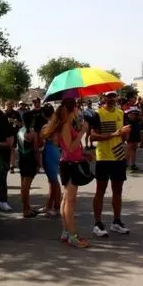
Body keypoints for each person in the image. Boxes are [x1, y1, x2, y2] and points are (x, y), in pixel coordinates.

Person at [44, 100, 95, 248]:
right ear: (72, 109)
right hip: (70, 165)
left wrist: (83, 154)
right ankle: (73, 235)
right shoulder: (66, 126)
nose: (79, 109)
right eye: (77, 106)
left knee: (66, 199)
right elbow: (70, 148)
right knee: (70, 201)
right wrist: (82, 132)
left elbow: (71, 148)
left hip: (70, 163)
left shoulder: (68, 124)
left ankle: (66, 231)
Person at [89, 90, 132, 237]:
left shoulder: (121, 113)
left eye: (114, 96)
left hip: (118, 156)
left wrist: (125, 134)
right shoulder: (98, 114)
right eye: (109, 96)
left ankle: (116, 222)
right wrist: (114, 134)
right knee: (100, 190)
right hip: (103, 157)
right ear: (103, 97)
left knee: (117, 191)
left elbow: (124, 138)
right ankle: (97, 223)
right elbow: (93, 136)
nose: (112, 98)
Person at [16, 113, 41, 217]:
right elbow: (35, 150)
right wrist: (39, 163)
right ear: (32, 121)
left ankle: (27, 207)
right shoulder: (33, 133)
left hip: (22, 159)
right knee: (26, 187)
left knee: (23, 186)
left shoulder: (19, 131)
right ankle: (25, 210)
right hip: (30, 160)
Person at [39, 104, 62, 215]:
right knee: (53, 180)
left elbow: (41, 138)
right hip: (55, 151)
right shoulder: (58, 124)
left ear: (44, 114)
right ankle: (52, 205)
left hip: (49, 151)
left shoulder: (47, 126)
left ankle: (55, 206)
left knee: (53, 181)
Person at [4, 101, 22, 173]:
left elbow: (21, 124)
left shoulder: (16, 113)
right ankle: (6, 164)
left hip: (14, 133)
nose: (10, 107)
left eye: (11, 106)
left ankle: (12, 166)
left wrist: (15, 121)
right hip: (4, 134)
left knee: (12, 149)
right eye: (9, 105)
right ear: (6, 105)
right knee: (5, 149)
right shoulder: (3, 114)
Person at [124, 107, 143, 173]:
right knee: (128, 150)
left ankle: (132, 165)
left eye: (136, 114)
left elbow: (141, 118)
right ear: (129, 114)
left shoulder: (137, 120)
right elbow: (127, 130)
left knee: (134, 149)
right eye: (133, 114)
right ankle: (125, 165)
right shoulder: (128, 121)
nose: (135, 115)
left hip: (136, 135)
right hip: (131, 136)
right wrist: (127, 137)